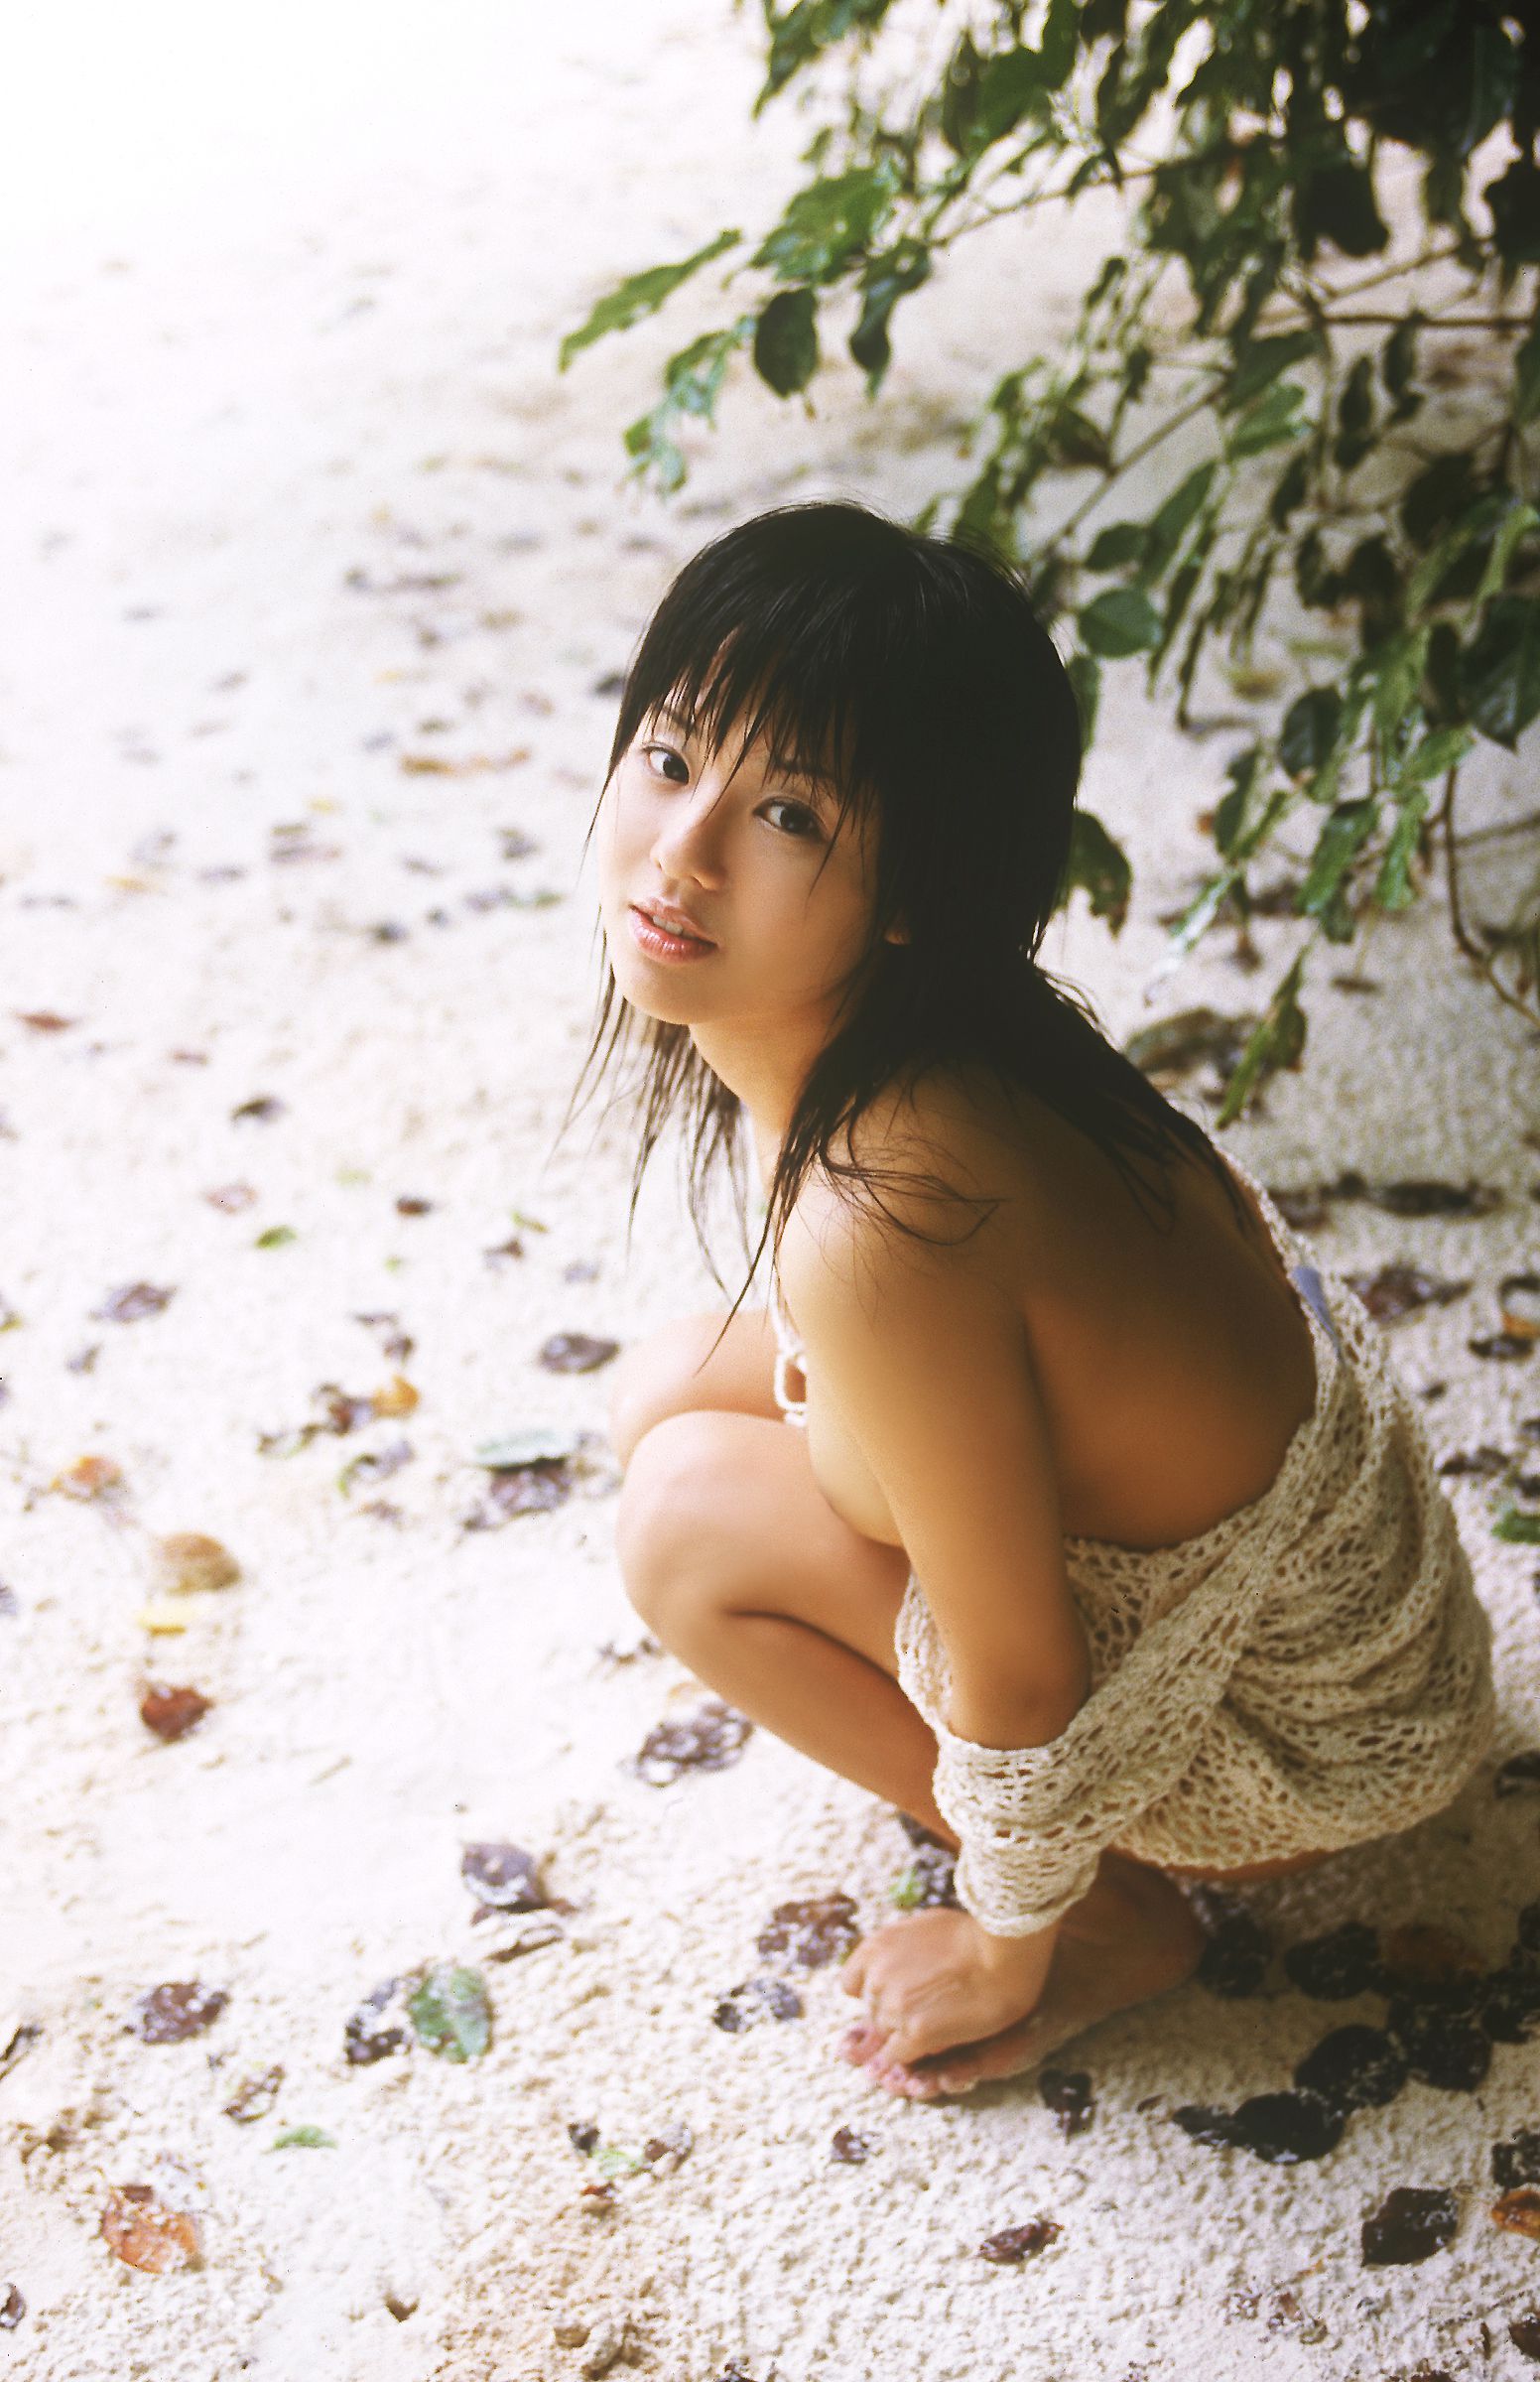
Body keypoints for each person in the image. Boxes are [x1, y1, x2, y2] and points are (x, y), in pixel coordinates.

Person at [567, 497, 1496, 2102]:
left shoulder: (886, 1207)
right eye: (670, 756)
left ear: (914, 885)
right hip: (1338, 1618)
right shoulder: (952, 1035)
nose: (684, 849)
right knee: (661, 1387)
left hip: (1303, 1737)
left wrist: (1012, 1938)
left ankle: (1118, 1918)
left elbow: (1021, 1676)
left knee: (684, 1524)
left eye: (787, 812)